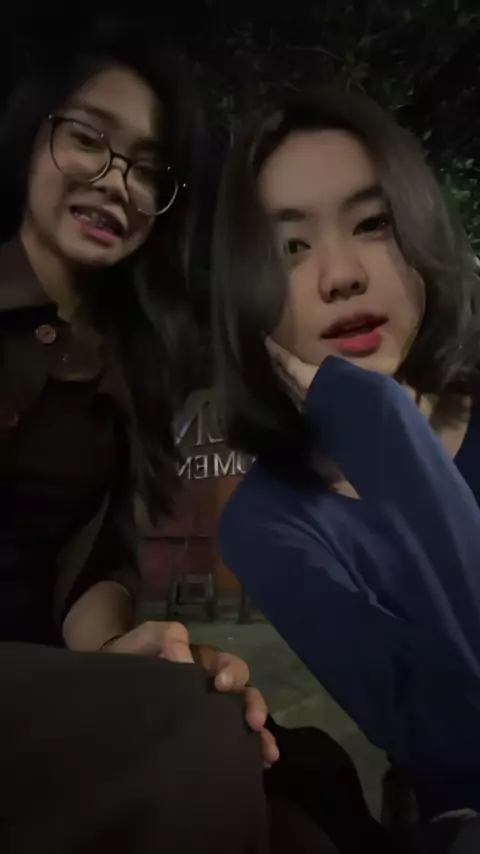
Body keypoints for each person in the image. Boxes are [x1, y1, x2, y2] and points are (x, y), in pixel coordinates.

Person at [0, 32, 277, 852]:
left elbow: (91, 566)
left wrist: (132, 652)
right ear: (30, 136)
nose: (117, 181)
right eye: (89, 137)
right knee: (191, 738)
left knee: (278, 759)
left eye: (148, 168)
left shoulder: (134, 365)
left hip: (38, 682)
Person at [212, 87, 480, 849]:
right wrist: (383, 430)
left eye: (372, 224)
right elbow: (456, 748)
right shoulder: (267, 524)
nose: (339, 276)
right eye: (289, 249)